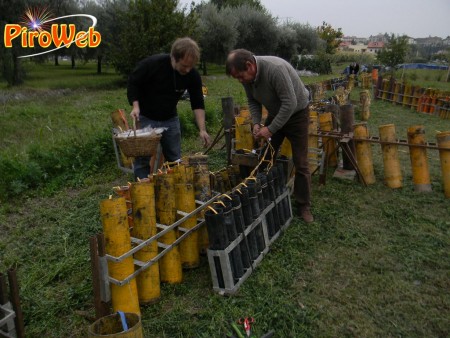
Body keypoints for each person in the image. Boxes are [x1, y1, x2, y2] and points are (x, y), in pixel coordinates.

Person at [225, 49, 314, 223]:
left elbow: (290, 103)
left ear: (249, 66)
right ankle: (264, 193)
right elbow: (252, 101)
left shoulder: (275, 69)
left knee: (301, 162)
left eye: (240, 77)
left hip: (297, 114)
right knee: (266, 154)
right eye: (237, 79)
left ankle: (303, 205)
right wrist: (257, 123)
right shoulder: (247, 77)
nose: (240, 81)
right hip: (277, 112)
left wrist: (270, 129)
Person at [127, 37, 211, 179]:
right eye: (184, 66)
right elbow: (133, 82)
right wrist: (135, 106)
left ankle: (174, 188)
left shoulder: (192, 74)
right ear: (174, 57)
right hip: (147, 117)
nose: (188, 69)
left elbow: (197, 103)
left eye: (191, 66)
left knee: (175, 159)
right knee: (142, 160)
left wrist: (202, 129)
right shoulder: (152, 64)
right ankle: (142, 191)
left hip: (170, 119)